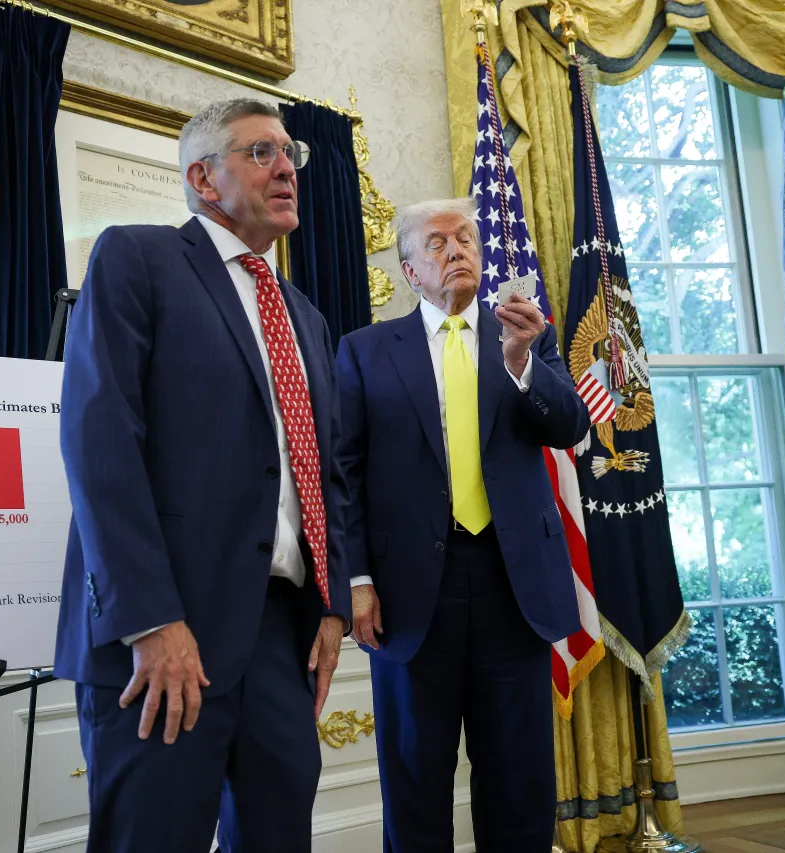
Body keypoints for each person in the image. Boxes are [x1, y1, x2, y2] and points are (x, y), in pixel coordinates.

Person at [54, 97, 352, 853]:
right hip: (165, 634)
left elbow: (323, 470)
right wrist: (150, 620)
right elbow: (100, 442)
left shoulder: (306, 316)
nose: (286, 168)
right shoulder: (138, 258)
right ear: (203, 178)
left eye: (290, 154)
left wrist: (330, 604)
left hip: (281, 637)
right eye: (261, 152)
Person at [336, 198, 590, 852]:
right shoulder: (364, 351)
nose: (457, 250)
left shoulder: (526, 334)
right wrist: (357, 579)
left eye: (467, 239)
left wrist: (522, 361)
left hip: (514, 585)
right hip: (409, 593)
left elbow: (569, 427)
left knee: (519, 781)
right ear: (410, 269)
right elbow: (344, 472)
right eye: (438, 242)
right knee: (415, 782)